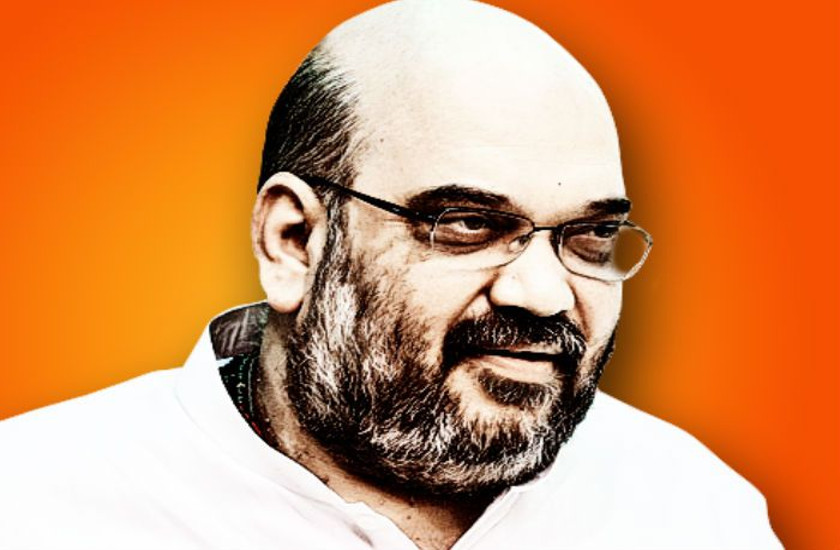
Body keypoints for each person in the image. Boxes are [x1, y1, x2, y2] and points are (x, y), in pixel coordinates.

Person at [0, 1, 781, 549]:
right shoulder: (32, 507)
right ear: (295, 241)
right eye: (467, 224)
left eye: (590, 236)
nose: (544, 295)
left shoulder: (693, 511)